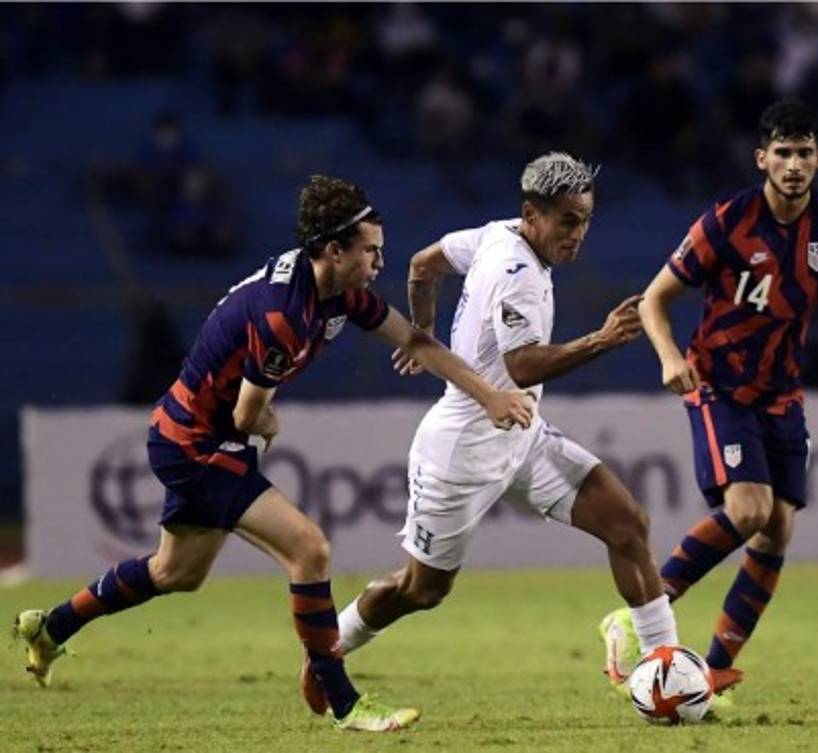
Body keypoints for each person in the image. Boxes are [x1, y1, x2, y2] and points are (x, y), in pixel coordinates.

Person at [13, 175, 533, 733]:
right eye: (372, 252)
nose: (381, 262)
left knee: (176, 572)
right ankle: (346, 704)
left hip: (192, 434)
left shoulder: (337, 292)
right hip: (197, 443)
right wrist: (267, 418)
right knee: (309, 549)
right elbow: (245, 415)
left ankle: (50, 626)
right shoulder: (284, 316)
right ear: (334, 250)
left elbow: (416, 342)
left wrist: (490, 394)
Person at [312, 153, 679, 711]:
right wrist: (601, 339)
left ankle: (667, 673)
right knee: (421, 590)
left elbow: (421, 264)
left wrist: (425, 336)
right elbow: (524, 365)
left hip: (521, 433)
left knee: (627, 524)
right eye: (567, 221)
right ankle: (328, 653)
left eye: (585, 220)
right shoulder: (519, 274)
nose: (578, 234)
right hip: (464, 448)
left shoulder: (493, 234)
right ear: (532, 214)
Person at [600, 99, 818, 699]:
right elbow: (652, 299)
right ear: (762, 158)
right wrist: (670, 357)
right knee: (749, 510)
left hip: (781, 393)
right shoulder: (727, 221)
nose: (793, 165)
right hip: (717, 384)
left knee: (777, 530)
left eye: (804, 153)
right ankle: (639, 611)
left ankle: (714, 670)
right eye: (783, 153)